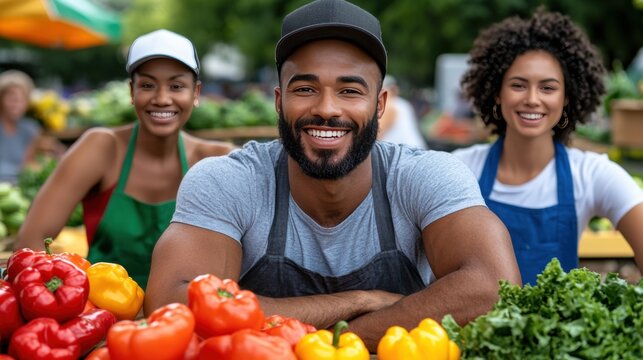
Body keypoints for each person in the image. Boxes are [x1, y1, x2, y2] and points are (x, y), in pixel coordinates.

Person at [145, 0, 520, 351]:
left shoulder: (426, 176)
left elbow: (492, 289)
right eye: (306, 89)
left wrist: (337, 341)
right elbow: (172, 304)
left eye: (349, 90)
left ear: (380, 105)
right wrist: (359, 302)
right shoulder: (228, 181)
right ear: (279, 101)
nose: (326, 109)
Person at [14, 29, 236, 289]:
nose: (162, 99)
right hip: (100, 320)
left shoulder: (218, 159)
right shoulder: (102, 148)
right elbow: (31, 242)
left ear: (195, 93)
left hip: (188, 323)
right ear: (132, 91)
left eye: (176, 86)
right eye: (147, 85)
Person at [452, 9, 643, 285]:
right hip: (471, 328)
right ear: (497, 93)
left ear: (566, 97)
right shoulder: (460, 170)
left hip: (558, 329)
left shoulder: (591, 174)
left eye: (548, 88)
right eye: (518, 85)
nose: (532, 99)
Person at [0, 70, 41, 184]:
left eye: (21, 100)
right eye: (12, 99)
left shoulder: (30, 129)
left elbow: (27, 164)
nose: (16, 104)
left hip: (17, 185)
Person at [378, 75, 427, 149]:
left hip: (406, 153)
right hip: (413, 150)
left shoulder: (389, 105)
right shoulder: (403, 103)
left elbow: (378, 133)